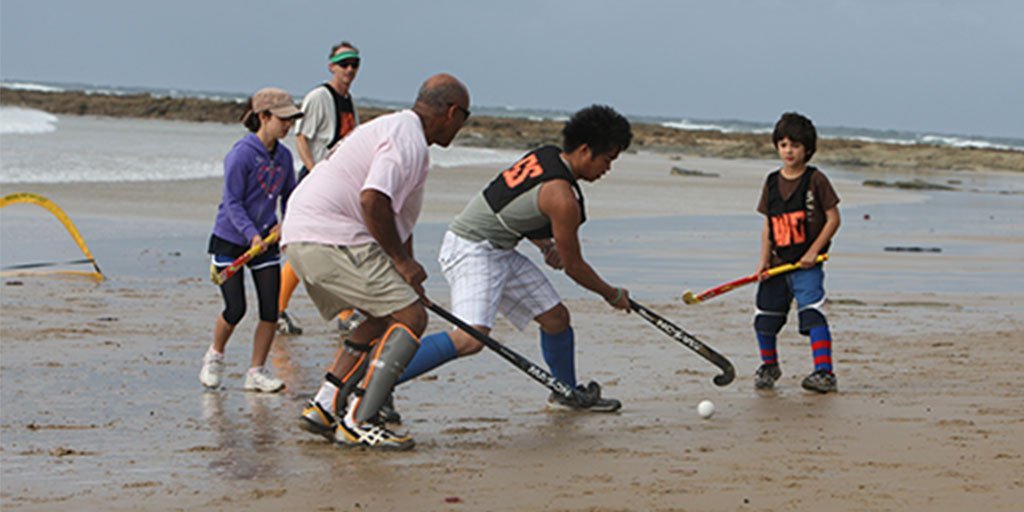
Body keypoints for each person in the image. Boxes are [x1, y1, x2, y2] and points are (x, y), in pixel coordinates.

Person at [393, 104, 634, 413]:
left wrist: (546, 246)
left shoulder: (546, 156)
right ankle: (374, 382)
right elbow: (574, 266)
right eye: (607, 160)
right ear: (585, 150)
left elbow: (513, 206)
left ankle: (564, 393)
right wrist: (612, 294)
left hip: (498, 249)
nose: (607, 169)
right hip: (470, 248)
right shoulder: (562, 197)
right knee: (471, 337)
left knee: (556, 318)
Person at [284, 73, 471, 450]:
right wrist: (401, 264)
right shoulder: (408, 138)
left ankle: (325, 405)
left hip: (306, 234)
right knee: (413, 319)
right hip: (329, 236)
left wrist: (409, 276)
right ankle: (358, 419)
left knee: (385, 315)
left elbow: (397, 220)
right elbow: (373, 200)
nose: (462, 126)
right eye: (464, 117)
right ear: (452, 112)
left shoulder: (402, 131)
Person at [198, 87, 303, 393]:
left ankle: (256, 371)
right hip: (230, 240)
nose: (288, 125)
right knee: (235, 309)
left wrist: (288, 223)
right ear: (263, 117)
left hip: (265, 243)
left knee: (270, 310)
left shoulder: (283, 157)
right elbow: (232, 202)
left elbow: (290, 197)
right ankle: (215, 356)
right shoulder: (241, 155)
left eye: (291, 120)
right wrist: (251, 234)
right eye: (282, 119)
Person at [277, 41, 363, 336]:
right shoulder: (319, 97)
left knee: (340, 247)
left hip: (338, 185)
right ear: (331, 66)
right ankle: (277, 311)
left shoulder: (348, 101)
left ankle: (346, 312)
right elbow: (302, 138)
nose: (349, 69)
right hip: (315, 183)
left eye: (354, 64)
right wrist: (315, 173)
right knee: (306, 249)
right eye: (344, 64)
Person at [751, 112, 841, 393]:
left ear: (808, 149)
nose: (789, 151)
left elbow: (833, 219)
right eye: (783, 144)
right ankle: (769, 366)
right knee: (764, 318)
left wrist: (813, 252)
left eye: (795, 145)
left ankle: (824, 373)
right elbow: (768, 224)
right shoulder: (771, 182)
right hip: (777, 265)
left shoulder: (816, 180)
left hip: (806, 267)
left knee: (812, 315)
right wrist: (763, 260)